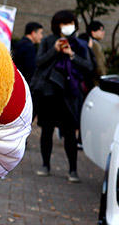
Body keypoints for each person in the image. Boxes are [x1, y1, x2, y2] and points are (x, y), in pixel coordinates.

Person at [31, 10, 94, 183]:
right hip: (49, 93)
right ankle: (45, 165)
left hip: (70, 94)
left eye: (70, 23)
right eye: (63, 23)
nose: (67, 26)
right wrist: (55, 50)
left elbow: (88, 66)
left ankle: (73, 169)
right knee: (47, 130)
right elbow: (39, 62)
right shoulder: (48, 41)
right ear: (56, 25)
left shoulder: (80, 44)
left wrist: (71, 55)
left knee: (69, 133)